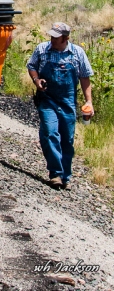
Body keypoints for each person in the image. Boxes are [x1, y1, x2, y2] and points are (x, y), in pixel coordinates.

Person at [27, 22, 94, 189]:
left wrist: (88, 101)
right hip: (47, 98)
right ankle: (55, 173)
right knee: (50, 134)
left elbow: (85, 78)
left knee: (67, 139)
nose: (52, 39)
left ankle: (65, 176)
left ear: (65, 38)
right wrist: (36, 80)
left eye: (56, 37)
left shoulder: (77, 53)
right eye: (51, 36)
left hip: (68, 101)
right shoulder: (42, 49)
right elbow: (32, 66)